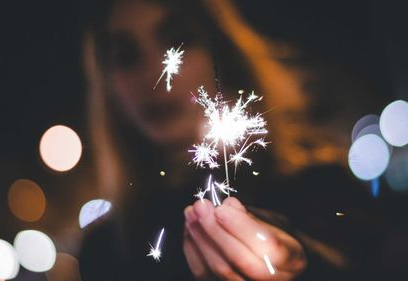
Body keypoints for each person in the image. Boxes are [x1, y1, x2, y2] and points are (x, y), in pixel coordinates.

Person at [78, 0, 379, 280]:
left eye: (177, 42)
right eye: (126, 56)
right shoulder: (105, 251)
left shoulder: (320, 186)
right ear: (107, 86)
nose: (156, 74)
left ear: (222, 55)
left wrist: (297, 262)